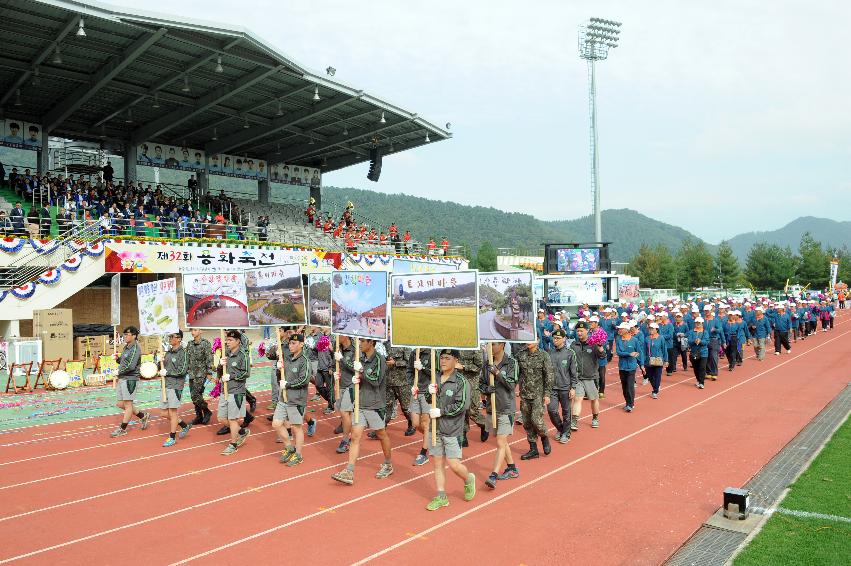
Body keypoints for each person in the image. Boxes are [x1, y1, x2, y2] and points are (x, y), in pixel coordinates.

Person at [332, 338, 394, 484]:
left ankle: (388, 463)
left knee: (381, 434)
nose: (360, 344)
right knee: (355, 437)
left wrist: (361, 371)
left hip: (375, 405)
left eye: (363, 341)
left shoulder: (379, 359)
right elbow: (356, 373)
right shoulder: (361, 358)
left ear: (371, 343)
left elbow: (376, 380)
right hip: (360, 404)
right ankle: (349, 470)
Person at [424, 349, 475, 511]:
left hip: (452, 429)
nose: (443, 361)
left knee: (454, 464)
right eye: (442, 358)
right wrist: (428, 392)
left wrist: (441, 411)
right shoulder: (436, 378)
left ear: (456, 361)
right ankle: (441, 496)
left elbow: (462, 406)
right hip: (435, 427)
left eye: (447, 358)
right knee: (437, 463)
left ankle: (468, 479)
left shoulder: (461, 382)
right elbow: (428, 398)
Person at [480, 341, 519, 489]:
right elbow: (481, 384)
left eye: (494, 344)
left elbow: (511, 384)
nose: (491, 347)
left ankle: (493, 475)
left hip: (506, 408)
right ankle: (512, 468)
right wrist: (486, 389)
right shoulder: (486, 364)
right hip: (492, 408)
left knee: (500, 443)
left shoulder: (511, 363)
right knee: (501, 441)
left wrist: (496, 373)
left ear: (502, 345)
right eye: (489, 344)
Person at [274, 334, 312, 467]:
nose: (291, 346)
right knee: (277, 424)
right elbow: (281, 377)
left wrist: (288, 385)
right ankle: (290, 447)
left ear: (301, 344)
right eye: (290, 343)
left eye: (294, 343)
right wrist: (279, 370)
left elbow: (304, 379)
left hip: (296, 399)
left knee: (296, 428)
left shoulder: (305, 361)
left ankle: (299, 454)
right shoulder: (287, 359)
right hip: (283, 398)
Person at [109, 326, 150, 437]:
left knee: (128, 405)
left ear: (134, 336)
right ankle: (142, 416)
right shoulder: (126, 347)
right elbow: (124, 361)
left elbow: (131, 366)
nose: (125, 336)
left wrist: (118, 371)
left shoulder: (136, 348)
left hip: (130, 379)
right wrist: (117, 359)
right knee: (120, 403)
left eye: (127, 335)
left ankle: (122, 429)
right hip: (122, 378)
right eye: (124, 334)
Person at [516, 340, 554, 460]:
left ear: (537, 341)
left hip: (538, 394)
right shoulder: (521, 354)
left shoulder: (543, 355)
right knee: (527, 423)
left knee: (536, 420)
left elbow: (549, 375)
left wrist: (547, 394)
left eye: (531, 339)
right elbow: (516, 371)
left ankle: (544, 437)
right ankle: (533, 449)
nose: (527, 342)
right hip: (525, 394)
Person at [219, 330, 251, 455]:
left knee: (233, 419)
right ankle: (242, 432)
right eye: (227, 340)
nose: (227, 342)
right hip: (225, 390)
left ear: (238, 341)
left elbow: (246, 373)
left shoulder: (243, 355)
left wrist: (231, 376)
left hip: (236, 391)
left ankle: (233, 444)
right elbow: (220, 371)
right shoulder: (225, 353)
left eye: (230, 340)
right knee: (221, 418)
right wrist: (220, 365)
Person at [569, 320, 605, 430]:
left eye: (581, 331)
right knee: (577, 399)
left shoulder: (594, 344)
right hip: (578, 378)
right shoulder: (573, 345)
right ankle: (574, 421)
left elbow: (602, 356)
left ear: (587, 331)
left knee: (594, 399)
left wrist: (600, 347)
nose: (579, 333)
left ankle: (595, 418)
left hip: (591, 378)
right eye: (577, 331)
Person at [158, 331, 192, 447]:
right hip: (165, 385)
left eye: (172, 337)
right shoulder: (167, 353)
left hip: (176, 385)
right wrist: (159, 362)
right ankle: (183, 425)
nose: (170, 338)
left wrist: (167, 372)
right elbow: (161, 368)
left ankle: (172, 437)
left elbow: (182, 371)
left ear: (179, 339)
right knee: (163, 412)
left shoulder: (184, 353)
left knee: (173, 413)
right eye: (169, 336)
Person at [547, 328, 577, 443]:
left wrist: (573, 387)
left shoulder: (570, 353)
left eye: (558, 338)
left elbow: (574, 372)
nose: (555, 340)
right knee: (552, 410)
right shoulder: (549, 352)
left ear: (564, 339)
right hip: (552, 388)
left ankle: (566, 433)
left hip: (565, 388)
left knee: (566, 412)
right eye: (554, 338)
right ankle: (561, 428)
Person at [408, 347, 434, 466]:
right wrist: (411, 384)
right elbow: (409, 370)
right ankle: (432, 437)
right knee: (415, 424)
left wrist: (423, 368)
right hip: (416, 391)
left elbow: (436, 372)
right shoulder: (414, 353)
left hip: (427, 392)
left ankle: (423, 453)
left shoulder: (433, 353)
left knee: (425, 424)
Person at [333, 335, 357, 453]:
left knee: (344, 412)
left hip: (351, 386)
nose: (336, 337)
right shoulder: (337, 347)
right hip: (341, 384)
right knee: (347, 414)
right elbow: (335, 364)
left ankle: (345, 440)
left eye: (339, 335)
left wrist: (342, 359)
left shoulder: (355, 349)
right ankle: (353, 436)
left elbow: (356, 368)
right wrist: (334, 372)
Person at [385, 346, 416, 436]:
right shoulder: (386, 345)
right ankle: (381, 429)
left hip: (402, 382)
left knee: (406, 407)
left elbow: (409, 362)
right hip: (389, 381)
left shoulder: (405, 346)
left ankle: (412, 425)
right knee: (386, 406)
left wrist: (396, 363)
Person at [459, 348, 487, 446]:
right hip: (458, 383)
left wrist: (463, 366)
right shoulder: (455, 345)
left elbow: (478, 366)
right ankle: (463, 435)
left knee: (472, 411)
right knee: (461, 410)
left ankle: (484, 424)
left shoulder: (475, 347)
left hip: (471, 383)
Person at [186, 328, 213, 425]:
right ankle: (199, 416)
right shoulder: (189, 344)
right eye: (192, 330)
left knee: (196, 395)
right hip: (192, 374)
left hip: (201, 374)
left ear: (201, 331)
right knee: (194, 396)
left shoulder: (205, 343)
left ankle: (206, 411)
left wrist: (209, 373)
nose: (193, 332)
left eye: (195, 330)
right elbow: (187, 359)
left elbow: (209, 358)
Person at [615, 321, 639, 412]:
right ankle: (627, 402)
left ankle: (630, 404)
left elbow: (639, 352)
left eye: (621, 328)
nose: (619, 330)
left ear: (627, 330)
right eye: (619, 328)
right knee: (624, 386)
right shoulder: (618, 340)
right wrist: (629, 354)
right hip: (622, 366)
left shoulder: (634, 340)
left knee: (630, 385)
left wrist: (642, 365)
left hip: (632, 366)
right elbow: (619, 352)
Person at [645, 323, 668, 399]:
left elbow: (664, 349)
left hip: (658, 360)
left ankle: (655, 391)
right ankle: (656, 386)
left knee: (657, 376)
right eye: (650, 328)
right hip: (649, 360)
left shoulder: (661, 338)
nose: (650, 330)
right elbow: (644, 350)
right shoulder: (647, 338)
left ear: (656, 330)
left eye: (652, 329)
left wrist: (666, 360)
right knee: (650, 376)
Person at [688, 318, 710, 389]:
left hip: (703, 353)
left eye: (699, 323)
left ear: (702, 323)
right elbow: (689, 341)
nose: (698, 324)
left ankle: (701, 382)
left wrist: (700, 341)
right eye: (696, 322)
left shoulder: (705, 332)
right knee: (696, 368)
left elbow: (706, 341)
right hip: (694, 353)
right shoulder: (691, 332)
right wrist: (694, 341)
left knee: (702, 367)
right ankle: (698, 379)